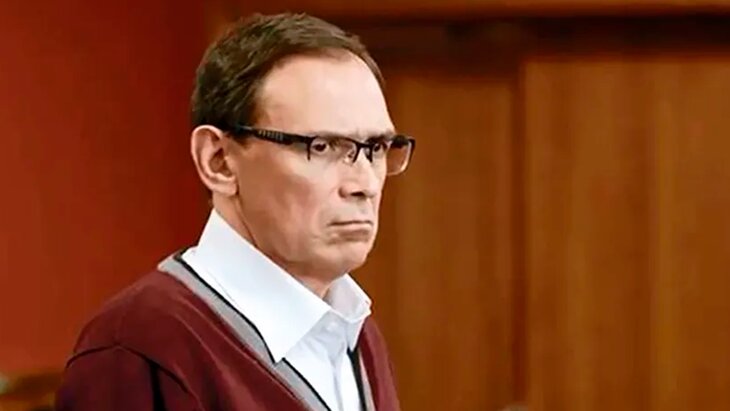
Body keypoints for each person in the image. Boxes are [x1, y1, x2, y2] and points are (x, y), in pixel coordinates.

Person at [55, 12, 414, 411]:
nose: (364, 184)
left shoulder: (354, 329)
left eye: (376, 149)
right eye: (322, 147)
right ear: (219, 161)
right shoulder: (136, 350)